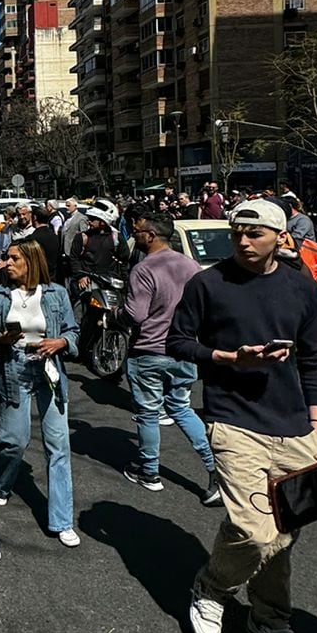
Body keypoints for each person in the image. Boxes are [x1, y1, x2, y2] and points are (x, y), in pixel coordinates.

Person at [166, 198, 317, 633]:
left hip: (295, 428)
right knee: (253, 529)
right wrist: (229, 358)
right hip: (233, 420)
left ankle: (269, 620)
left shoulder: (301, 287)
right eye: (237, 231)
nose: (242, 240)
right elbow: (178, 341)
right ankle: (212, 589)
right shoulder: (208, 283)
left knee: (285, 534)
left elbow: (314, 361)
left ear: (280, 237)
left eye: (254, 233)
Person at [0, 241, 80, 546]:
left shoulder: (56, 294)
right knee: (14, 439)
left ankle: (62, 520)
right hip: (14, 368)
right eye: (6, 258)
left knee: (58, 445)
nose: (6, 263)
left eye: (14, 258)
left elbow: (72, 331)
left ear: (31, 261)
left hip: (49, 371)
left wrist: (60, 343)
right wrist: (1, 338)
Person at [122, 213, 218, 501]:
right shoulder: (190, 265)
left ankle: (149, 472)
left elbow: (135, 314)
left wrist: (115, 312)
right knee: (181, 408)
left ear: (151, 235)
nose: (134, 235)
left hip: (149, 350)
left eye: (137, 231)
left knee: (148, 413)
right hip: (184, 349)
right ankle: (215, 468)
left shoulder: (143, 268)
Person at [68, 201, 121, 291]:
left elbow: (123, 259)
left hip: (110, 283)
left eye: (92, 219)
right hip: (88, 283)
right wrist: (81, 276)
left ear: (103, 222)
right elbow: (74, 258)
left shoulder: (116, 237)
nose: (89, 222)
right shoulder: (82, 237)